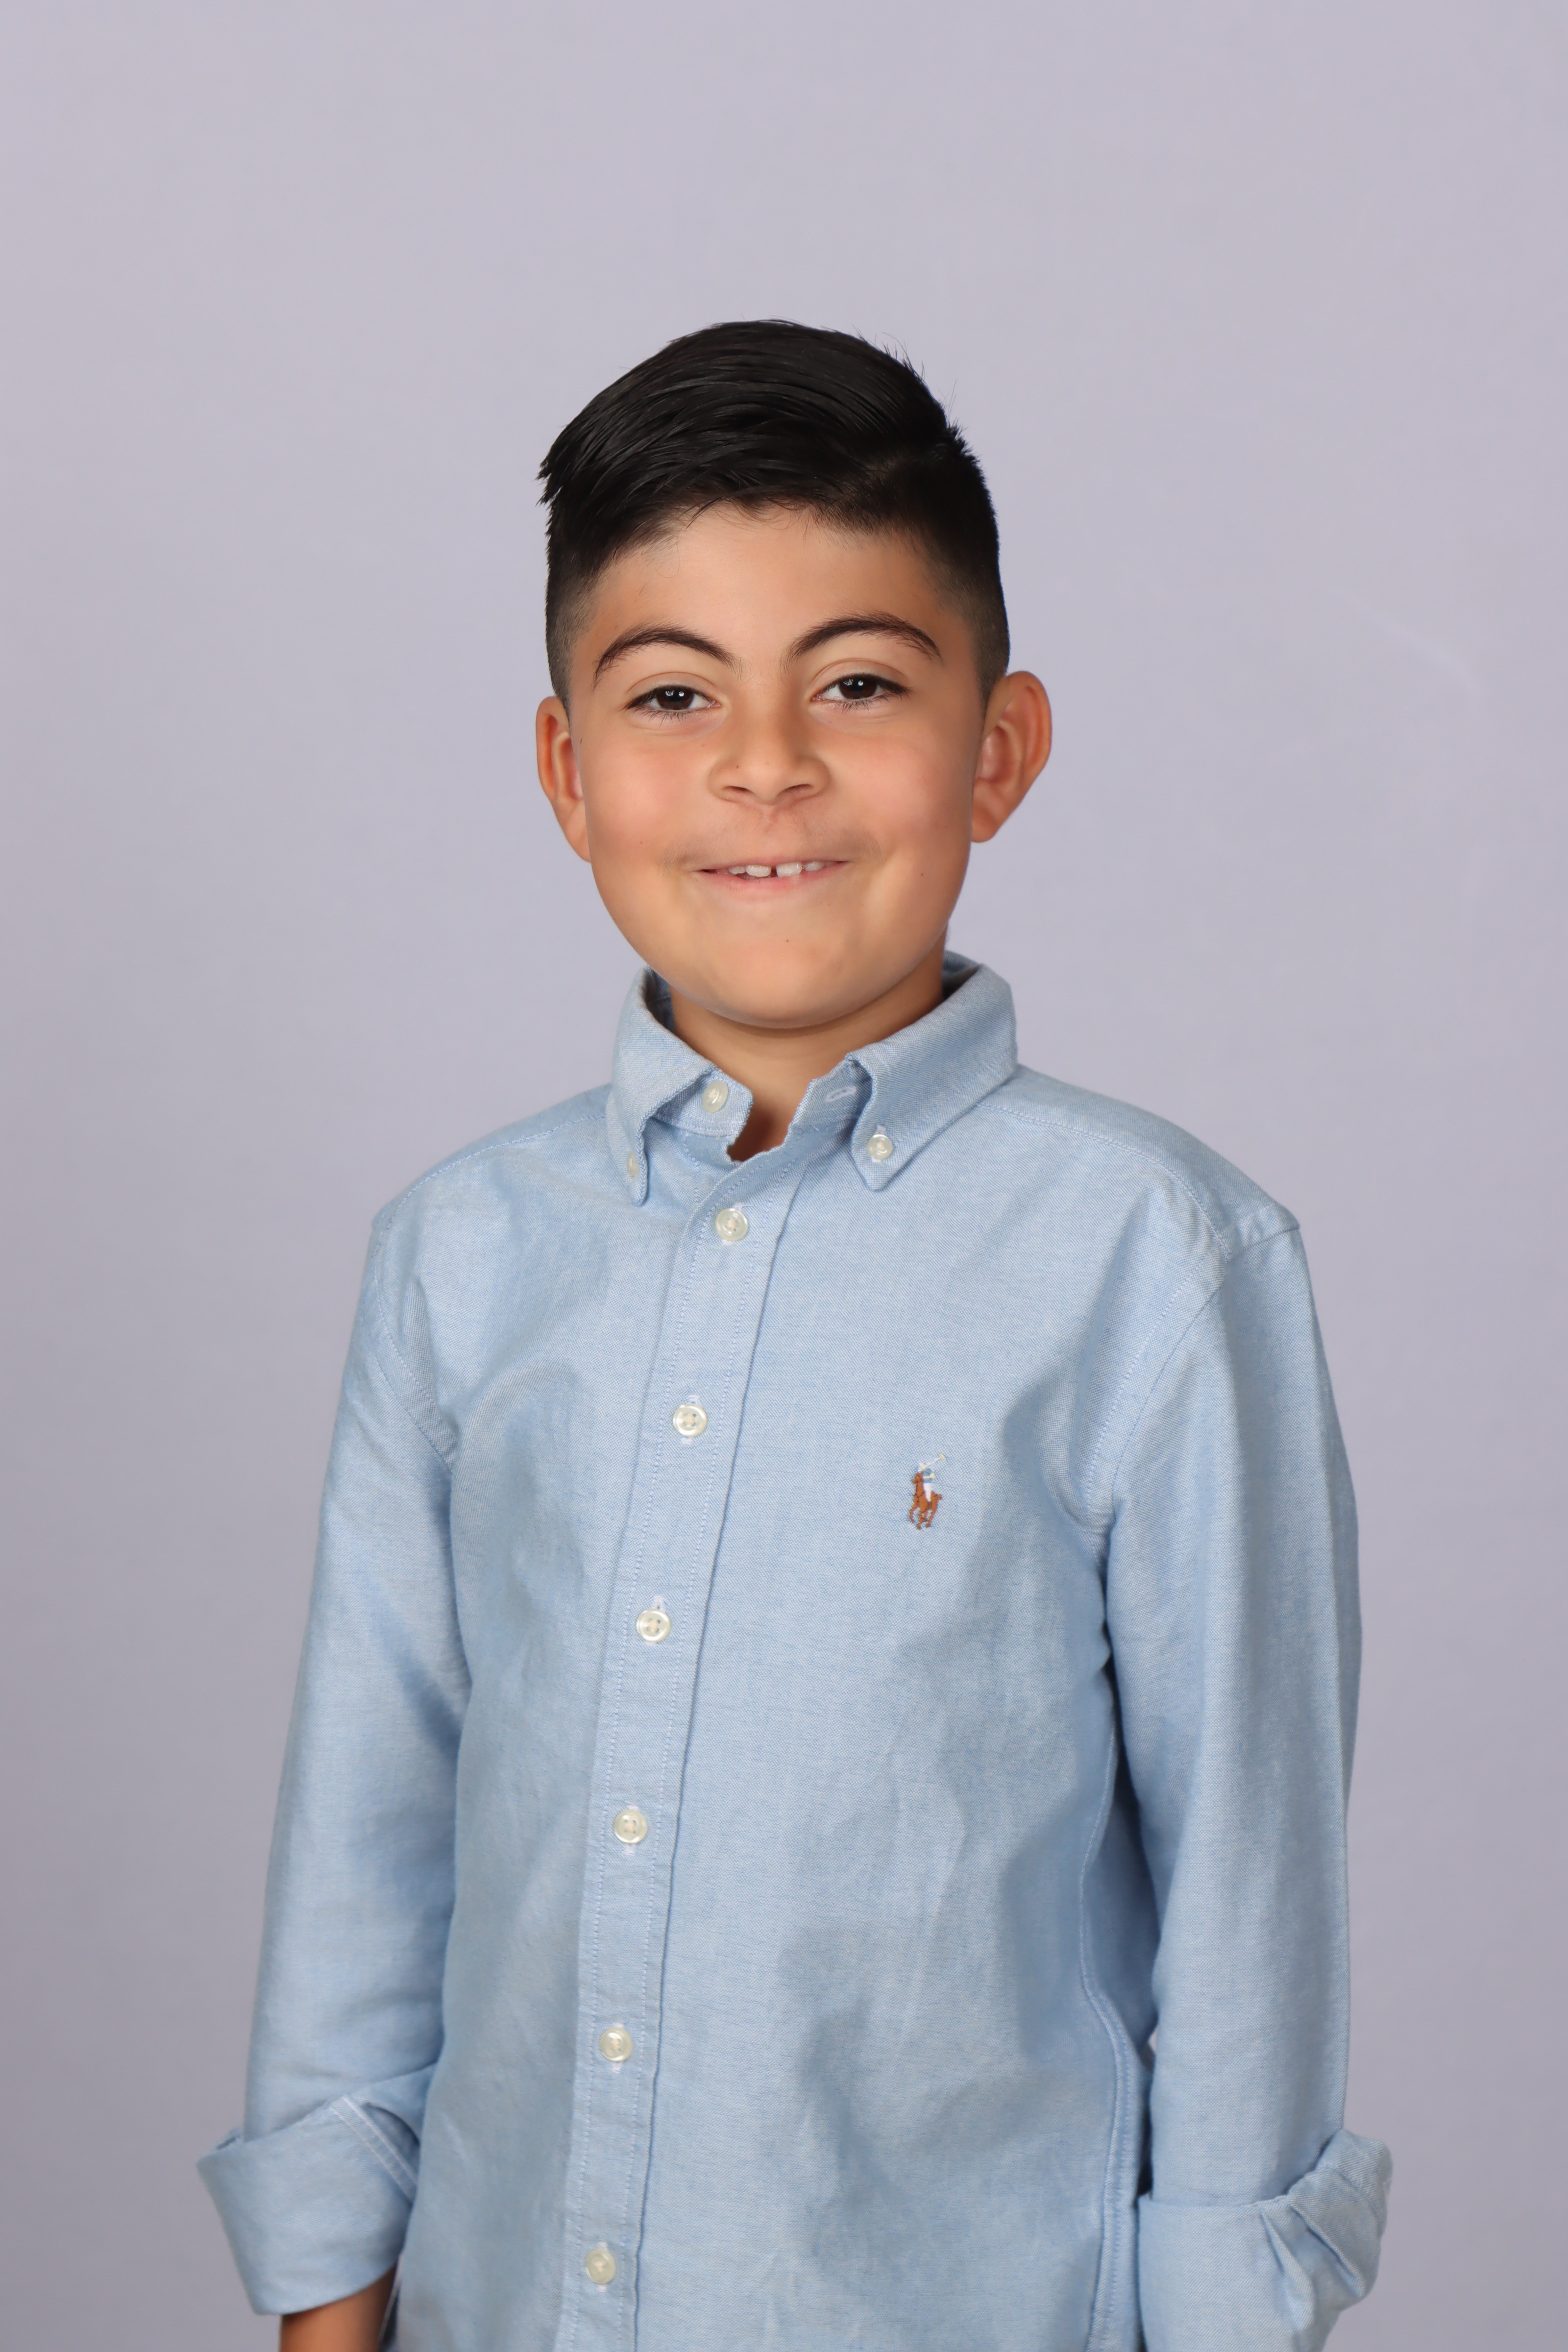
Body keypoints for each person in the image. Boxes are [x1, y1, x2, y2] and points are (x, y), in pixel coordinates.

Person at [200, 321, 1390, 2352]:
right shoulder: (462, 1256)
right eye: (675, 695)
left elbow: (1247, 1901)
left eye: (856, 682)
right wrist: (328, 2295)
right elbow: (367, 1831)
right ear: (568, 771)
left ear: (997, 747)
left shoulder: (1158, 1263)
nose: (766, 765)